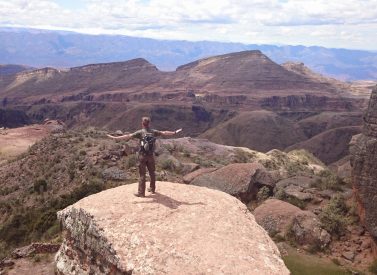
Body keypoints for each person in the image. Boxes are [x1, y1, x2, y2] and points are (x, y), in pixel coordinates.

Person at [107, 116, 182, 197]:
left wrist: (115, 138)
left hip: (142, 156)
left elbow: (128, 136)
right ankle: (152, 189)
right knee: (152, 173)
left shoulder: (140, 132)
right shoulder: (153, 132)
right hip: (151, 156)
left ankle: (141, 193)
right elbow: (164, 132)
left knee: (142, 175)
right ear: (149, 123)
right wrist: (174, 132)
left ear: (142, 123)